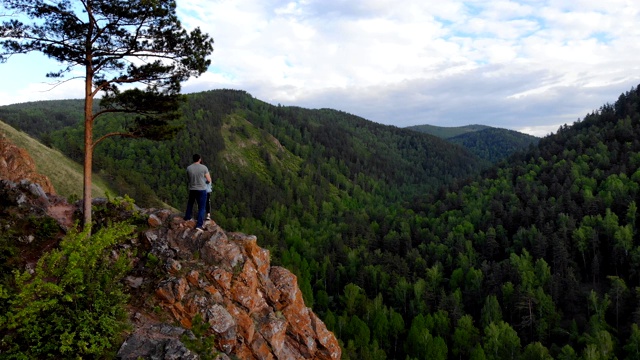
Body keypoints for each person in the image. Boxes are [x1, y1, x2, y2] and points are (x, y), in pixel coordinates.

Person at [184, 154, 211, 232]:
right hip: (202, 189)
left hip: (192, 189)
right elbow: (208, 180)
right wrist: (204, 181)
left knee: (190, 204)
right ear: (199, 159)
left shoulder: (189, 168)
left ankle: (187, 217)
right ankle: (199, 225)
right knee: (201, 207)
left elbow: (189, 179)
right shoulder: (204, 167)